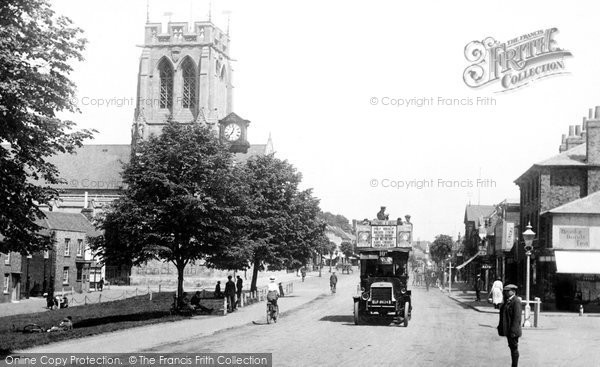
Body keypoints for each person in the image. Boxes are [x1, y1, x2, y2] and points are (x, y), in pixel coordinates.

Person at [497, 284, 522, 367]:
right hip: (508, 329)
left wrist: (513, 331)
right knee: (511, 347)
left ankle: (515, 365)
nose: (506, 292)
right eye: (505, 291)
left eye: (508, 291)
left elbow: (516, 318)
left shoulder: (516, 301)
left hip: (513, 331)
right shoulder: (508, 300)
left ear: (513, 291)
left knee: (514, 348)